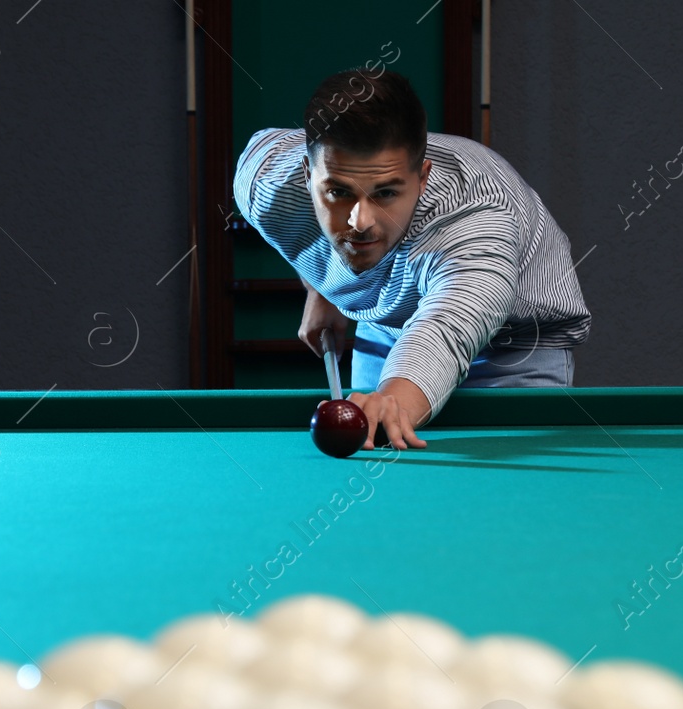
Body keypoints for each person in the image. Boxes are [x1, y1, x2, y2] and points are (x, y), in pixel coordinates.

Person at [232, 67, 591, 450]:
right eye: (338, 192)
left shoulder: (475, 214)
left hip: (512, 349)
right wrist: (320, 288)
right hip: (387, 328)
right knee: (378, 460)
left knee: (507, 494)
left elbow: (449, 326)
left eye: (385, 193)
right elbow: (294, 220)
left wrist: (395, 400)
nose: (361, 223)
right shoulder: (266, 185)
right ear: (307, 174)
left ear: (422, 177)